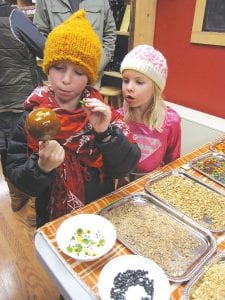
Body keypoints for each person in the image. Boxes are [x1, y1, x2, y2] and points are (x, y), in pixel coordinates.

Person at [6, 10, 141, 228]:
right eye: (59, 68)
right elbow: (19, 179)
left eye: (78, 72)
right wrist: (41, 167)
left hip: (99, 210)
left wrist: (105, 135)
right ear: (48, 68)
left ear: (90, 76)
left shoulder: (102, 112)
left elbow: (126, 166)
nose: (66, 80)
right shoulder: (31, 118)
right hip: (52, 216)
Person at [0, 0, 46, 212]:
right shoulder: (13, 17)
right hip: (18, 99)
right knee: (27, 146)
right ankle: (32, 195)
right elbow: (43, 47)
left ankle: (16, 197)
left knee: (5, 150)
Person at [117, 44, 181, 181]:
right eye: (125, 80)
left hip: (153, 189)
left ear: (155, 88)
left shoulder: (171, 122)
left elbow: (173, 163)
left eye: (139, 82)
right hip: (123, 192)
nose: (129, 88)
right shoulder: (118, 118)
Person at [33, 0, 117, 89]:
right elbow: (39, 35)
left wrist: (95, 65)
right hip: (60, 82)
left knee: (88, 102)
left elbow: (110, 34)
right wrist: (56, 66)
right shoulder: (45, 1)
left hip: (91, 81)